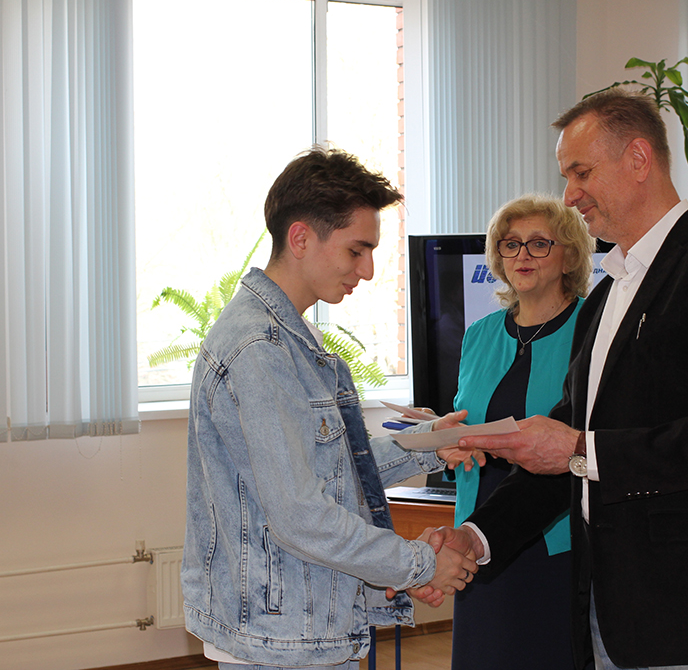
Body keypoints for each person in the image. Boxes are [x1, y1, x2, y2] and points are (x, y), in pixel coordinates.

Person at [419, 87, 688, 669]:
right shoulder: (605, 297)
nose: (571, 194)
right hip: (605, 608)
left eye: (582, 172)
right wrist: (476, 536)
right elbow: (563, 451)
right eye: (567, 176)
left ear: (638, 159)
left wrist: (579, 449)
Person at [181, 146, 480, 670]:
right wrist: (419, 563)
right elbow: (302, 516)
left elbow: (332, 467)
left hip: (300, 629)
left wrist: (432, 446)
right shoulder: (261, 349)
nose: (367, 270)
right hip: (281, 641)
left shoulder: (289, 337)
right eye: (356, 250)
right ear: (301, 238)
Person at [449, 194, 594, 670]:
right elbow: (467, 418)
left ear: (569, 255)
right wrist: (442, 435)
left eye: (538, 243)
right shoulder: (479, 333)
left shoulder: (592, 329)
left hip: (554, 532)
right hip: (480, 526)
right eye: (510, 244)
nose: (522, 255)